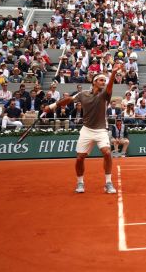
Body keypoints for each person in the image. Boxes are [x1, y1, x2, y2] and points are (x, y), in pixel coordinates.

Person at [42, 62, 125, 194]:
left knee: (107, 153)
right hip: (86, 130)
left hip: (101, 130)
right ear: (94, 82)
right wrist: (52, 106)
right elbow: (68, 100)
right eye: (101, 80)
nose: (104, 82)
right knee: (80, 157)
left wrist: (113, 73)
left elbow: (109, 87)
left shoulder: (105, 94)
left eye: (105, 80)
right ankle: (80, 182)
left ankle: (108, 182)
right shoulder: (83, 94)